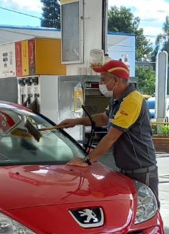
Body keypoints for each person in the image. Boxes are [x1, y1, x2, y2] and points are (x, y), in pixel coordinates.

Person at [55, 58, 159, 200]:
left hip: (140, 170)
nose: (101, 83)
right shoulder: (117, 100)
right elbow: (104, 119)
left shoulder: (132, 101)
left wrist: (87, 161)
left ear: (116, 80)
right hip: (126, 169)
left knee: (145, 208)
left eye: (103, 79)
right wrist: (76, 121)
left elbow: (111, 137)